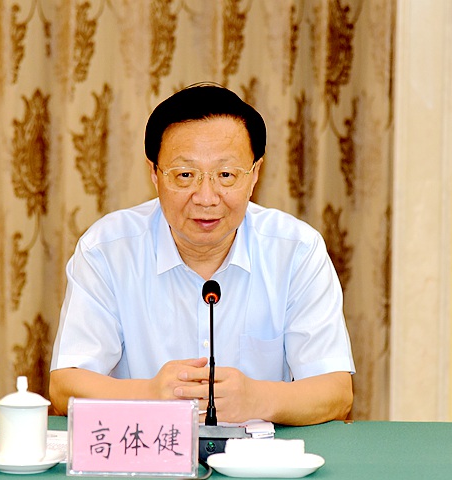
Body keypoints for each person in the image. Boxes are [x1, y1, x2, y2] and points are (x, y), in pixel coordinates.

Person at [49, 84, 355, 425]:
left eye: (226, 175)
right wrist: (149, 394)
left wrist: (257, 399)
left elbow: (336, 391)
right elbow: (65, 386)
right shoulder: (107, 250)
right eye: (185, 175)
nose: (206, 198)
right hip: (148, 452)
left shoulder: (296, 251)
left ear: (254, 174)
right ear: (154, 173)